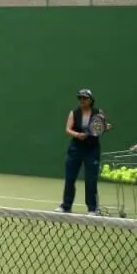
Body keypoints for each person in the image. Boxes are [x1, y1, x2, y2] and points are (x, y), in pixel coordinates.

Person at [57, 88, 111, 216]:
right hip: (75, 149)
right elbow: (68, 129)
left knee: (91, 180)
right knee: (70, 178)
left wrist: (106, 127)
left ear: (91, 100)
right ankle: (66, 206)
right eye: (80, 98)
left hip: (92, 150)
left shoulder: (98, 112)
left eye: (85, 98)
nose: (82, 100)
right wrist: (77, 135)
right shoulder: (74, 113)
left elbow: (102, 127)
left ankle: (92, 208)